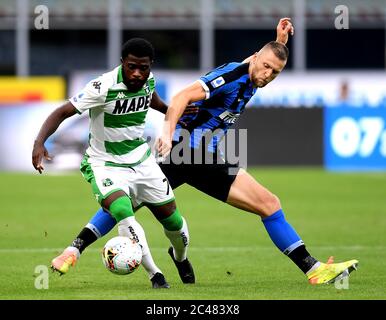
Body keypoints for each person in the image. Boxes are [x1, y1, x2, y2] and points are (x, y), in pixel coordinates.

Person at [51, 18, 359, 285]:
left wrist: (279, 42)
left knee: (127, 203)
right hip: (189, 152)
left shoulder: (254, 73)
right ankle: (314, 270)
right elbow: (184, 95)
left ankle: (73, 250)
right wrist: (168, 133)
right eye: (266, 67)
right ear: (254, 58)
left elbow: (265, 60)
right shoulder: (231, 76)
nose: (267, 75)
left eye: (275, 72)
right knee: (266, 204)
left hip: (195, 158)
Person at [32, 38, 194, 289]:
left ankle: (180, 257)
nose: (137, 73)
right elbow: (62, 111)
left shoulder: (147, 81)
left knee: (172, 221)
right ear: (122, 63)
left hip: (141, 161)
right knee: (122, 211)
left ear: (150, 65)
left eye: (144, 67)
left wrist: (172, 112)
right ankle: (156, 275)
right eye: (131, 67)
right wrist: (40, 141)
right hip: (105, 163)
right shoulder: (102, 86)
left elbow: (152, 100)